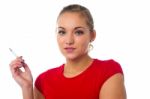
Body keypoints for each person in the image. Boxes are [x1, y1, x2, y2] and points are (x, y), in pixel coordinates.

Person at [9, 4, 126, 99]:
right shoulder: (44, 81)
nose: (69, 41)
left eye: (78, 32)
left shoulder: (109, 71)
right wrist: (27, 87)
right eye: (62, 32)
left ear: (92, 35)